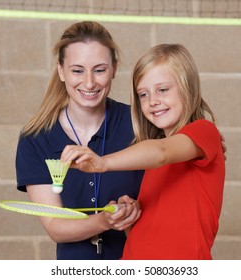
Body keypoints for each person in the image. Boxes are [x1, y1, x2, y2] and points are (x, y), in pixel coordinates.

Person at [60, 44, 225, 259]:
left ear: (188, 87)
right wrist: (130, 214)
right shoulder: (153, 161)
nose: (152, 101)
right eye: (143, 94)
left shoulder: (203, 131)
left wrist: (103, 163)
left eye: (163, 90)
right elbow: (151, 234)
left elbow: (162, 151)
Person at [15, 21, 144, 260]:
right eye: (77, 70)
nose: (89, 83)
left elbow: (180, 147)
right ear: (61, 71)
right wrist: (104, 220)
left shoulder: (141, 124)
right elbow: (55, 226)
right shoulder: (35, 138)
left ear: (114, 69)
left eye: (99, 70)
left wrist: (201, 143)